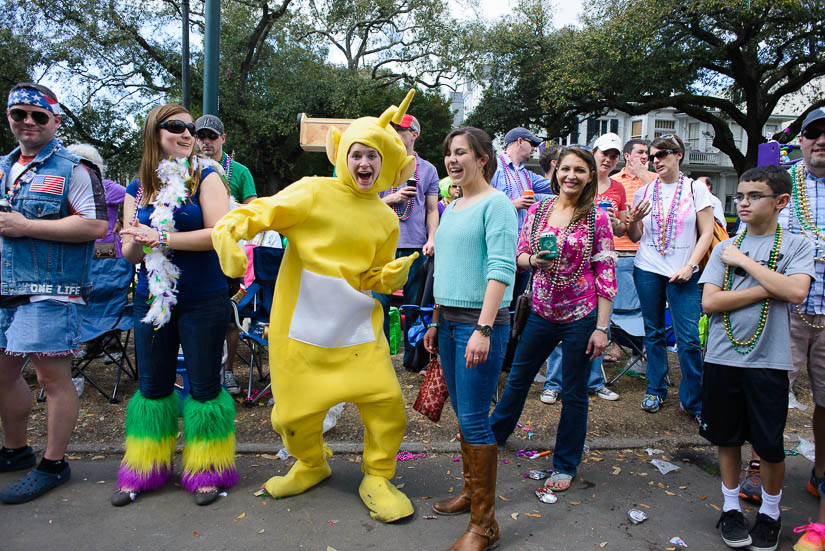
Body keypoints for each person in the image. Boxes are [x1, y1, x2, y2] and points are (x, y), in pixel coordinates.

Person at [212, 91, 419, 523]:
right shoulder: (312, 191)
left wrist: (390, 277)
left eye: (374, 157)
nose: (365, 164)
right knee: (292, 417)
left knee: (386, 404)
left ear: (385, 165)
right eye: (358, 154)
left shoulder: (385, 218)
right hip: (300, 331)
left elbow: (370, 276)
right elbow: (261, 213)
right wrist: (230, 231)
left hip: (356, 330)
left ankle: (377, 475)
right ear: (343, 155)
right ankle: (310, 463)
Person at [111, 104, 235, 507]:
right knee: (152, 387)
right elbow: (130, 252)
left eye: (192, 129)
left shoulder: (208, 176)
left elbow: (219, 234)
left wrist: (161, 237)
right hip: (152, 300)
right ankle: (145, 471)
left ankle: (207, 471)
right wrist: (133, 240)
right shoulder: (137, 187)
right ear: (154, 132)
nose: (188, 134)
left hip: (202, 299)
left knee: (203, 388)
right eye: (177, 127)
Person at [0, 84, 108, 504]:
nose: (28, 122)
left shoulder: (74, 168)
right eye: (18, 114)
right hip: (5, 286)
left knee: (51, 377)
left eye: (38, 115)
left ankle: (53, 462)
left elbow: (96, 226)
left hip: (50, 291)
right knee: (4, 375)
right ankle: (15, 450)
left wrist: (26, 226)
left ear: (55, 121)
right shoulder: (3, 167)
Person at [489, 147, 616, 495]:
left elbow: (606, 275)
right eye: (566, 169)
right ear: (555, 172)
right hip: (541, 312)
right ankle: (494, 436)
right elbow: (518, 254)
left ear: (590, 175)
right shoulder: (540, 208)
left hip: (580, 316)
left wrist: (602, 328)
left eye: (580, 170)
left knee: (574, 392)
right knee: (518, 379)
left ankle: (565, 463)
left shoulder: (597, 218)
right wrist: (532, 261)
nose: (571, 176)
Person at [700, 165, 813, 551]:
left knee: (769, 444)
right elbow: (711, 301)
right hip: (723, 357)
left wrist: (747, 265)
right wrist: (772, 286)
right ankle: (730, 508)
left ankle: (770, 512)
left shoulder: (798, 245)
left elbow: (797, 293)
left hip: (770, 360)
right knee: (727, 437)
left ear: (780, 201)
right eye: (740, 196)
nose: (743, 202)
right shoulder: (722, 247)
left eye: (753, 196)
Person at [423, 127, 517, 551]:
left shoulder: (496, 205)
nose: (452, 160)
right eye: (448, 153)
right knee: (464, 415)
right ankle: (471, 494)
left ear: (483, 159)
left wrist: (482, 327)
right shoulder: (454, 205)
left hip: (481, 327)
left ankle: (485, 525)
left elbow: (501, 269)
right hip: (451, 324)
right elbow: (446, 270)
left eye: (461, 152)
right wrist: (437, 321)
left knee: (476, 419)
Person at [626, 134, 714, 419]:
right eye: (652, 156)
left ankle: (694, 400)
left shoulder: (696, 189)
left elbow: (707, 233)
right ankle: (656, 388)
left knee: (688, 339)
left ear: (679, 155)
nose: (656, 160)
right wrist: (631, 220)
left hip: (684, 272)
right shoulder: (645, 191)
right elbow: (636, 236)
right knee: (652, 332)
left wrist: (690, 265)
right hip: (648, 268)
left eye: (662, 154)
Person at [540, 135, 625, 403]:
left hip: (590, 284)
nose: (609, 160)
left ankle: (594, 382)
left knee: (594, 334)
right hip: (553, 291)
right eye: (604, 154)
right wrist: (534, 260)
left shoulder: (616, 191)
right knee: (556, 337)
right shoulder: (550, 204)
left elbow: (622, 230)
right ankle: (553, 383)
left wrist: (617, 222)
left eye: (614, 156)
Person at [774, 108, 825, 546]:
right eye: (814, 133)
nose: (822, 141)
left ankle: (821, 475)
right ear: (801, 139)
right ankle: (760, 467)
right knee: (770, 393)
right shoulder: (781, 185)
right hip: (785, 313)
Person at [195, 114, 257, 396]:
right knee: (194, 313)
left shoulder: (240, 172)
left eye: (211, 136)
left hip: (228, 254)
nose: (206, 142)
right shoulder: (185, 170)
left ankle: (229, 370)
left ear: (223, 139)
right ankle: (197, 371)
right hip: (195, 252)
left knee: (231, 315)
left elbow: (253, 209)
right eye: (201, 136)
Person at [373, 113, 439, 368]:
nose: (396, 133)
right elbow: (364, 205)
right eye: (393, 128)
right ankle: (376, 359)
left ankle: (413, 359)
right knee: (377, 305)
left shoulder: (429, 170)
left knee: (413, 308)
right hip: (382, 248)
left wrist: (432, 237)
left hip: (415, 249)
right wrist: (393, 198)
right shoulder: (378, 163)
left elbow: (432, 210)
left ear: (415, 134)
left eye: (401, 129)